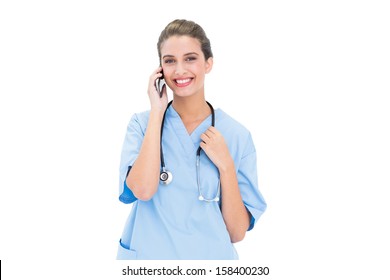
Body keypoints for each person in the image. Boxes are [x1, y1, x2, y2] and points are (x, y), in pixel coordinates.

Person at [117, 19, 266, 260]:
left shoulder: (237, 135)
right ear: (160, 70)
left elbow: (237, 232)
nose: (179, 70)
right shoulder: (142, 124)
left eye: (190, 58)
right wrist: (157, 112)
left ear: (208, 64)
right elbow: (143, 190)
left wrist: (226, 165)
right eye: (169, 61)